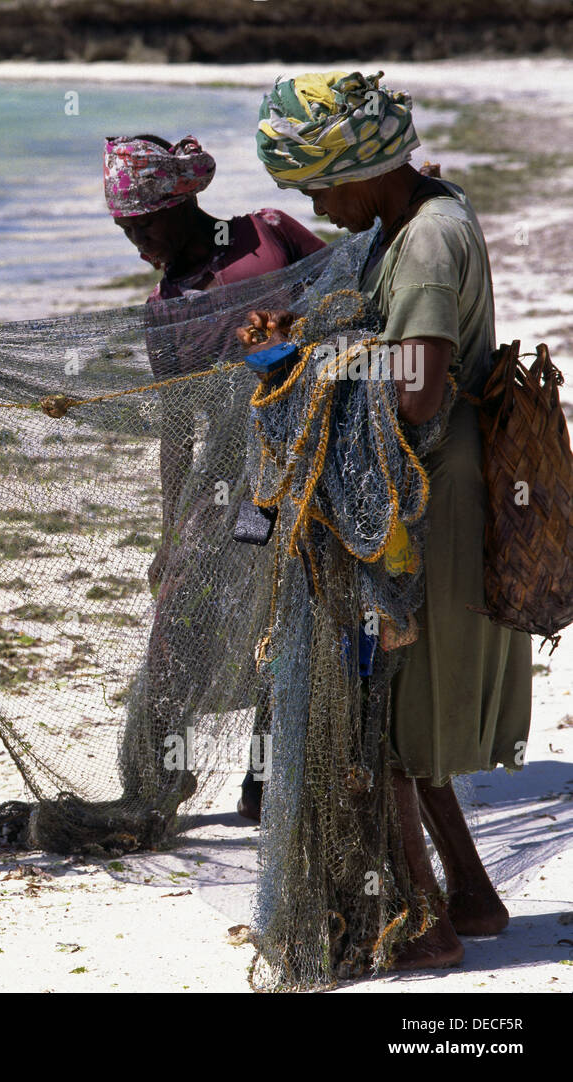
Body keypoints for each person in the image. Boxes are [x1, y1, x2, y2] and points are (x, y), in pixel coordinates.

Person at [242, 70, 531, 969]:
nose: (318, 206)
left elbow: (413, 392)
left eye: (322, 186)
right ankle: (474, 897)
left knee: (381, 714)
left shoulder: (427, 244)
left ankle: (425, 929)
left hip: (429, 506)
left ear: (363, 166)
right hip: (414, 499)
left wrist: (307, 364)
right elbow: (389, 343)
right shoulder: (416, 216)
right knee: (391, 706)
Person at [105, 134, 326, 820]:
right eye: (125, 231)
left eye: (145, 225)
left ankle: (266, 783)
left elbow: (353, 294)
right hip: (235, 485)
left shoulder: (267, 234)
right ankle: (161, 779)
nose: (139, 243)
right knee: (185, 620)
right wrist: (173, 533)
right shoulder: (164, 309)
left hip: (312, 460)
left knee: (292, 617)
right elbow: (177, 429)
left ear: (184, 202)